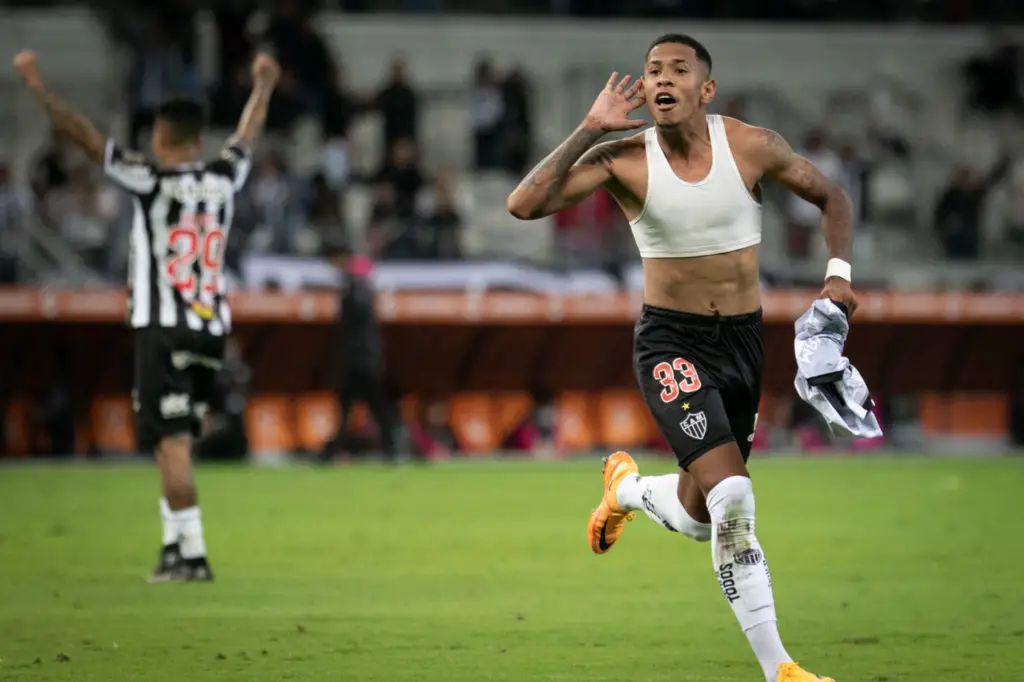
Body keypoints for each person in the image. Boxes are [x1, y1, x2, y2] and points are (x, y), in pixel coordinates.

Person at [507, 34, 857, 682]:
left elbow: (833, 197)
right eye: (652, 71)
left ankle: (625, 490)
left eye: (677, 69)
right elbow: (523, 205)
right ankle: (781, 669)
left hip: (743, 345)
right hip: (672, 344)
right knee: (734, 498)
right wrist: (589, 129)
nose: (663, 79)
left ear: (706, 88)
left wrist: (838, 275)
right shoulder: (623, 159)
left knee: (702, 519)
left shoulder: (750, 145)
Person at [13, 49, 280, 582]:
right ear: (198, 138)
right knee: (170, 439)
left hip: (164, 327)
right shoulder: (223, 177)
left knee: (172, 440)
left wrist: (38, 88)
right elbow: (247, 134)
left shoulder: (150, 180)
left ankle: (192, 554)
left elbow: (84, 137)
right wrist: (264, 86)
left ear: (160, 136)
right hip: (211, 330)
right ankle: (173, 547)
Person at [319, 247, 398, 463]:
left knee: (360, 409)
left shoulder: (353, 291)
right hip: (361, 361)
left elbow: (356, 319)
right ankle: (390, 450)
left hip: (359, 361)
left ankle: (334, 451)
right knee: (361, 409)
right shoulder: (358, 290)